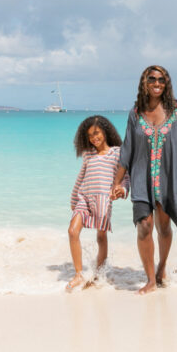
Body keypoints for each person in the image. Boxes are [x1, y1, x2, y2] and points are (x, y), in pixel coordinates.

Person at [111, 65, 177, 294]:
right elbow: (127, 151)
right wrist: (117, 183)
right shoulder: (135, 114)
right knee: (144, 226)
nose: (157, 83)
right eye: (152, 79)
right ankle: (150, 279)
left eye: (161, 79)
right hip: (141, 180)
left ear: (166, 82)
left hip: (168, 179)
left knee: (163, 227)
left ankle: (161, 267)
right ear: (144, 82)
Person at [66, 115, 127, 291]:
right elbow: (80, 178)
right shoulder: (88, 154)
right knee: (72, 231)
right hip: (84, 198)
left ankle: (99, 274)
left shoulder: (117, 153)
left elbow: (125, 177)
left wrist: (122, 190)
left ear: (105, 132)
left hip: (103, 200)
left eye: (97, 133)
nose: (94, 138)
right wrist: (73, 199)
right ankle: (78, 274)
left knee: (101, 236)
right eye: (90, 136)